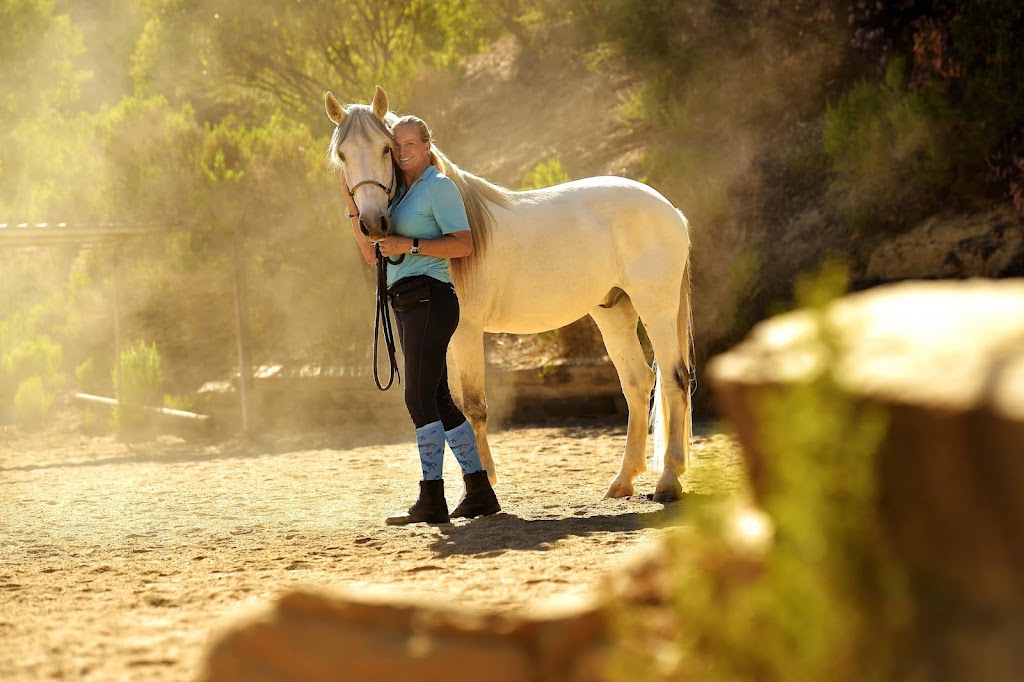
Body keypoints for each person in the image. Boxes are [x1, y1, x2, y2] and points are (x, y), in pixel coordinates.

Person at [339, 115, 501, 525]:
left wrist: (408, 244)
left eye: (412, 144)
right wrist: (351, 208)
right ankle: (480, 491)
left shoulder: (439, 188)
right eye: (399, 145)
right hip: (410, 302)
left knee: (417, 398)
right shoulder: (398, 197)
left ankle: (432, 498)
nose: (404, 151)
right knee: (439, 398)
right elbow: (372, 255)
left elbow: (463, 244)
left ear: (428, 147)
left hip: (432, 298)